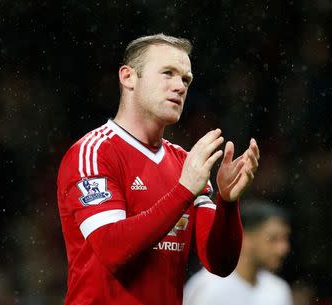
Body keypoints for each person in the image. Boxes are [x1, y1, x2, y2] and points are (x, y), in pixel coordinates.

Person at [57, 33, 260, 305]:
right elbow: (112, 250)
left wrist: (227, 202)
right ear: (128, 77)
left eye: (186, 79)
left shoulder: (184, 162)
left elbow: (219, 263)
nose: (180, 86)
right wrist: (183, 190)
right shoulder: (93, 152)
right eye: (168, 73)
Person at [184, 200, 292, 305]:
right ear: (245, 238)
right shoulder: (208, 287)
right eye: (273, 239)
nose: (283, 248)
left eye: (285, 239)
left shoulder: (279, 290)